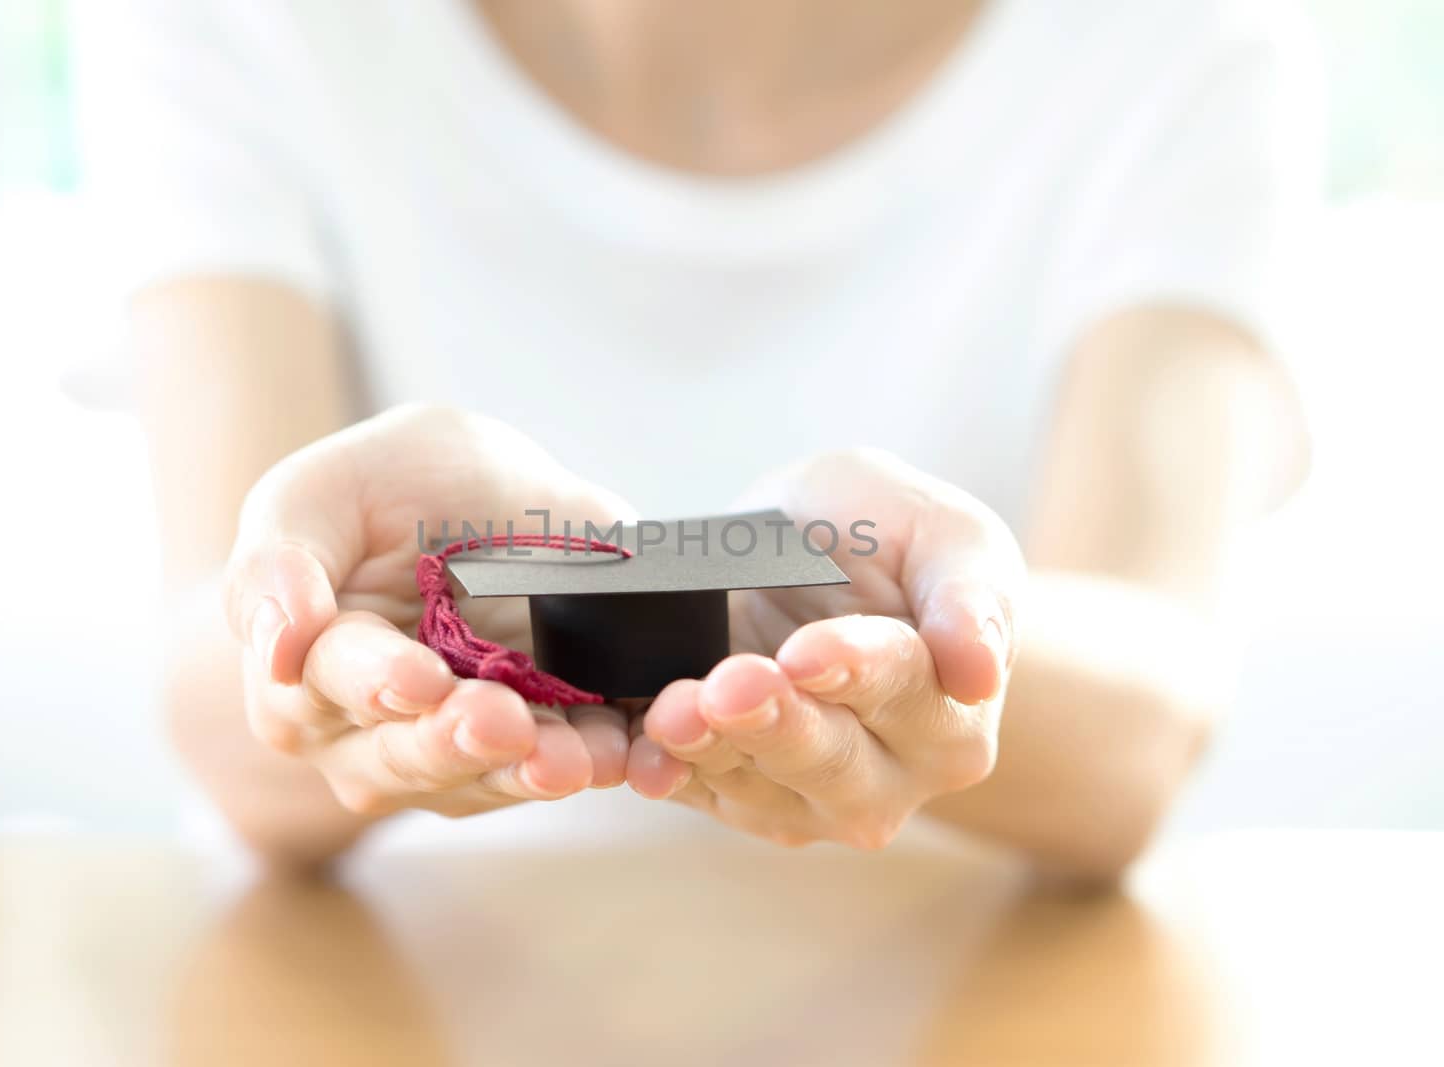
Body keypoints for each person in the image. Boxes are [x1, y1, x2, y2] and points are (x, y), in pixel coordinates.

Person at [76, 0, 1317, 877]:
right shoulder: (231, 21)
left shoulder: (1181, 36)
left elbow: (1143, 732)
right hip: (384, 988)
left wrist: (904, 628)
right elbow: (212, 684)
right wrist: (356, 638)